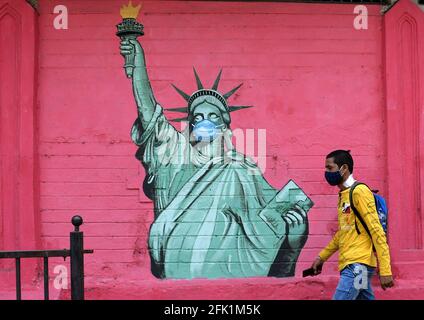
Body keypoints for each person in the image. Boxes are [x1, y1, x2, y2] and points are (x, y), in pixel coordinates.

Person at [119, 38, 310, 279]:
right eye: (197, 118)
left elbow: (271, 218)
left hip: (234, 277)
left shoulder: (241, 167)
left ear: (226, 128)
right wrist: (138, 66)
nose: (204, 122)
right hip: (177, 269)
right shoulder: (177, 154)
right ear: (188, 125)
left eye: (213, 116)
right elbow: (150, 116)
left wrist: (293, 240)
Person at [311, 150, 394, 300]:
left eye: (330, 168)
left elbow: (377, 231)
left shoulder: (359, 192)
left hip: (357, 267)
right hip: (354, 266)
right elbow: (343, 233)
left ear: (344, 168)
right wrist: (322, 257)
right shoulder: (344, 195)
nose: (326, 172)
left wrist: (385, 269)